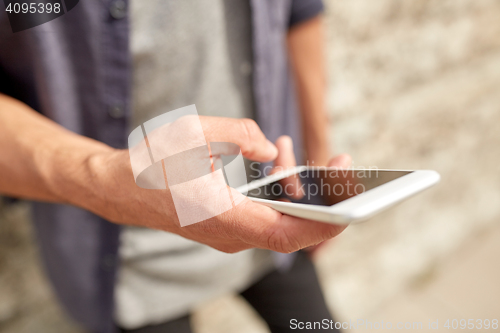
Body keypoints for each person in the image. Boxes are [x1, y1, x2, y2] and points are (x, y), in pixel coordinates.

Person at [0, 1, 350, 332]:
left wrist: (316, 165)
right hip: (129, 261)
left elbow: (299, 11)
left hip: (271, 204)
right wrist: (108, 179)